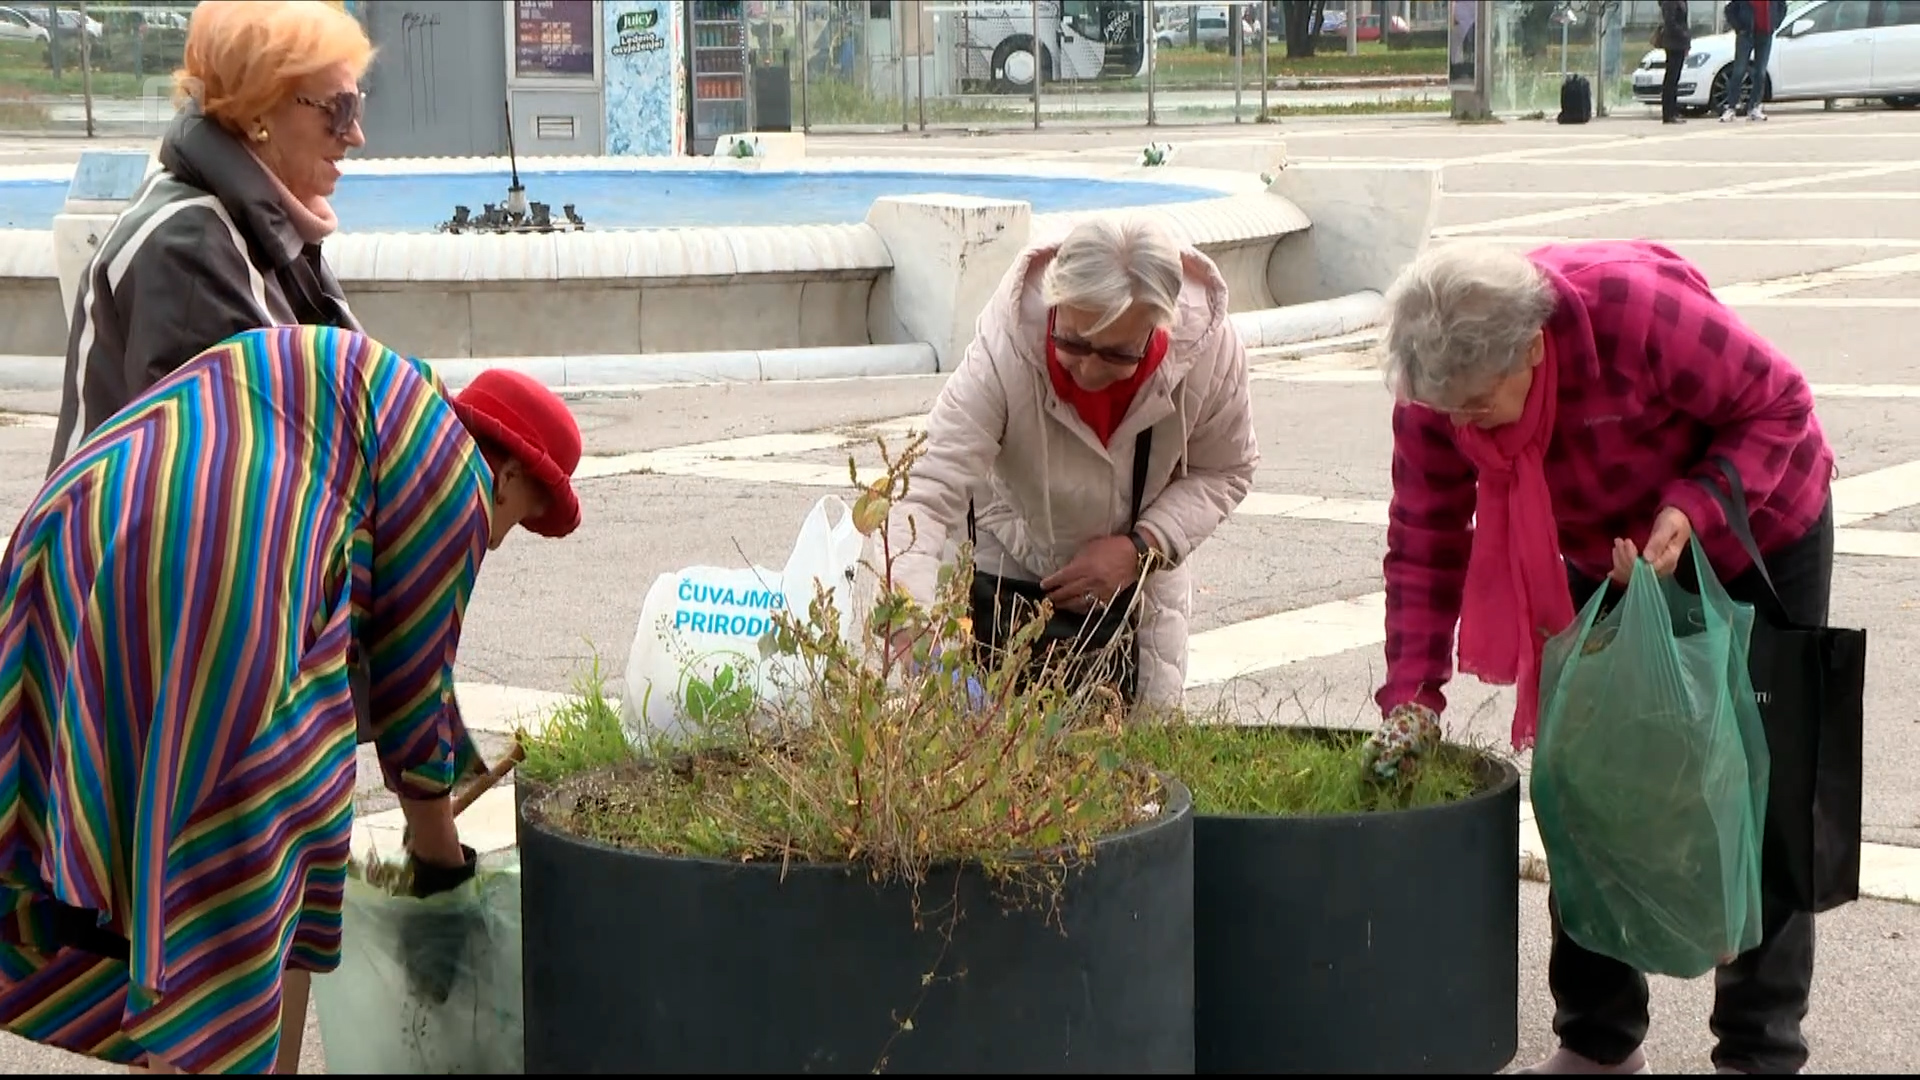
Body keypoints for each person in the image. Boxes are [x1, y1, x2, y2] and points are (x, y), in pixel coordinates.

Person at [0, 325, 583, 1075]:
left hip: (78, 527)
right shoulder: (457, 472)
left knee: (153, 835)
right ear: (506, 475)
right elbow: (413, 697)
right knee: (276, 825)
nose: (496, 539)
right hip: (217, 562)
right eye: (518, 518)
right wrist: (442, 874)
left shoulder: (377, 398)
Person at [1365, 238, 1835, 1076]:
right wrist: (1413, 694)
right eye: (1448, 412)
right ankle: (1598, 1043)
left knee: (1764, 785)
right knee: (1587, 778)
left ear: (1532, 348)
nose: (1464, 427)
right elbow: (1424, 540)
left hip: (1755, 527)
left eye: (1480, 407)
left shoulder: (1632, 315)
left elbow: (1779, 405)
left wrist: (1693, 508)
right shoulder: (1441, 390)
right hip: (1607, 553)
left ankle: (1760, 1051)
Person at [880, 215, 1259, 708]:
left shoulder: (1210, 350)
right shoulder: (1004, 350)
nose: (1091, 372)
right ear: (1054, 302)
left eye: (1119, 355)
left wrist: (1141, 548)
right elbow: (927, 489)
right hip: (1003, 570)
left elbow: (1226, 468)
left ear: (1160, 325)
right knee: (987, 739)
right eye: (1074, 343)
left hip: (1135, 593)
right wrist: (909, 616)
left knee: (1128, 743)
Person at [49, 0, 373, 472]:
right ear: (259, 113)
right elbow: (237, 474)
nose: (355, 135)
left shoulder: (253, 224)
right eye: (339, 110)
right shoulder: (191, 249)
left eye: (358, 104)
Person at [1722, 0, 1788, 123]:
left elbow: (1782, 6)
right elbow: (1729, 9)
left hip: (1765, 34)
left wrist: (1775, 23)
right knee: (1739, 71)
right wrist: (1739, 27)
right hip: (1746, 34)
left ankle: (1754, 107)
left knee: (1761, 72)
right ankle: (1731, 107)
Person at [1657, 0, 1692, 124]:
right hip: (1673, 43)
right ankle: (1668, 113)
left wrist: (1686, 41)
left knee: (1675, 78)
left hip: (1680, 43)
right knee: (1671, 78)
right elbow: (1670, 23)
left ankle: (1673, 110)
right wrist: (1684, 34)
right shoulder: (1670, 2)